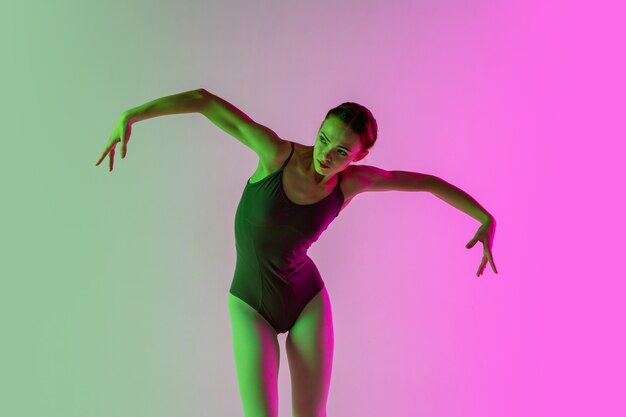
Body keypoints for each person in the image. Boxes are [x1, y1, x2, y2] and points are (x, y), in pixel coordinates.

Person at [96, 88, 498, 417]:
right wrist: (131, 114)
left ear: (359, 156)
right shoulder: (275, 154)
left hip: (306, 301)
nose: (327, 154)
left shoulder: (352, 183)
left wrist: (483, 217)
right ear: (319, 127)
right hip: (250, 304)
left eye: (342, 151)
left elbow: (425, 181)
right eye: (325, 138)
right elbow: (205, 101)